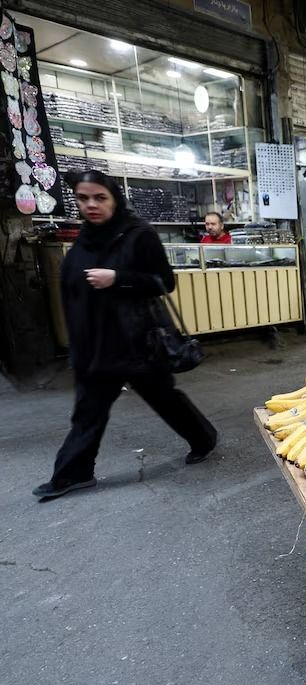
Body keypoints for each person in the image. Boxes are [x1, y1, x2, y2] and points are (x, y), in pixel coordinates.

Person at [33, 171, 218, 500]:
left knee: (165, 399)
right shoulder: (85, 239)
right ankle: (72, 475)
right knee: (88, 412)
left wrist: (117, 278)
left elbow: (163, 281)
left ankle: (203, 438)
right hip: (96, 347)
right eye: (83, 198)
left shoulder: (138, 234)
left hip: (137, 343)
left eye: (100, 197)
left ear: (114, 198)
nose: (91, 205)